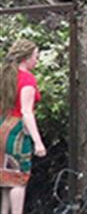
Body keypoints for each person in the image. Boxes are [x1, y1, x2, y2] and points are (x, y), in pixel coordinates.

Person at [0, 40, 45, 214]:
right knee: (19, 179)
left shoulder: (5, 76)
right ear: (26, 58)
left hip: (1, 127)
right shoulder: (27, 79)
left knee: (5, 178)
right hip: (16, 131)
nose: (37, 61)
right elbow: (26, 112)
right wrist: (38, 141)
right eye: (35, 57)